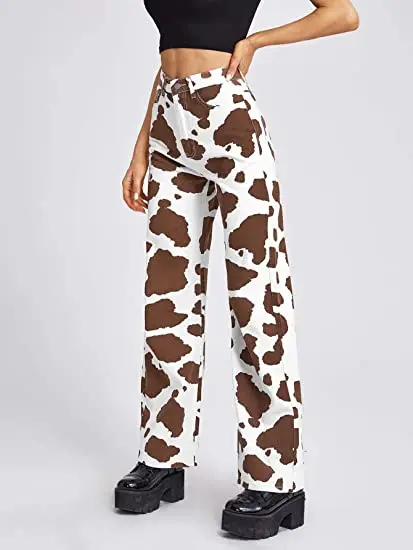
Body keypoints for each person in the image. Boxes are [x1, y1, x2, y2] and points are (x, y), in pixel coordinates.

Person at [115, 0, 359, 540]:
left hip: (230, 123)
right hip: (169, 125)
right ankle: (162, 455)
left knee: (256, 300)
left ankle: (276, 477)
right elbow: (168, 55)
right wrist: (141, 148)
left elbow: (342, 14)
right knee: (167, 304)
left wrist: (256, 41)